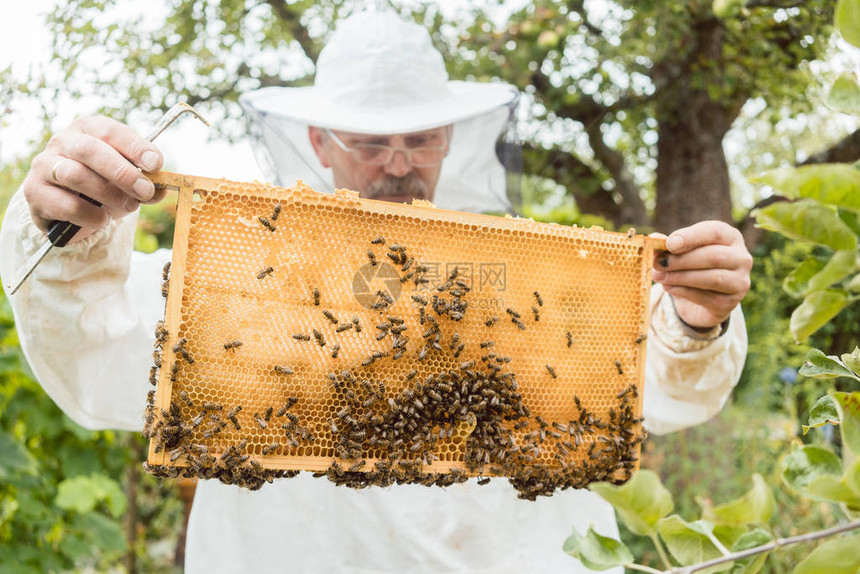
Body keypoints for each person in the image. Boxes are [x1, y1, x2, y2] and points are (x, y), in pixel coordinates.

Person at [0, 10, 751, 574]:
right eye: (367, 140)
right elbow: (99, 353)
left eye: (419, 137)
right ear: (322, 142)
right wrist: (68, 230)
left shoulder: (528, 284)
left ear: (451, 138)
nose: (396, 163)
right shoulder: (244, 281)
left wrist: (694, 320)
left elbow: (655, 385)